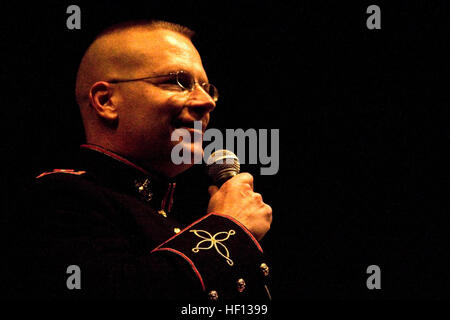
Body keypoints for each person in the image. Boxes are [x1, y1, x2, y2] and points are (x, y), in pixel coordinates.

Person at [7, 20, 273, 300]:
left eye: (208, 87)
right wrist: (228, 228)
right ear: (106, 101)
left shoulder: (176, 214)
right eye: (177, 82)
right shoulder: (57, 199)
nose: (207, 102)